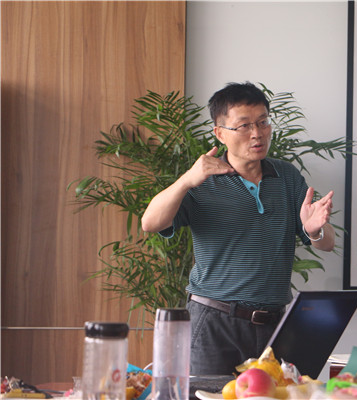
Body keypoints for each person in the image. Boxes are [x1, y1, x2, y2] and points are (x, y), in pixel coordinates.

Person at [141, 82, 335, 375]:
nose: (257, 133)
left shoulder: (287, 177)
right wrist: (186, 180)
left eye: (263, 122)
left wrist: (313, 230)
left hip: (275, 326)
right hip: (215, 322)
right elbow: (150, 223)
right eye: (244, 126)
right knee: (207, 395)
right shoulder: (201, 180)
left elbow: (327, 242)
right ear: (220, 133)